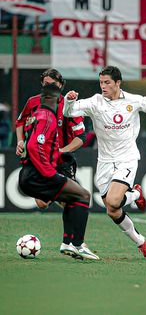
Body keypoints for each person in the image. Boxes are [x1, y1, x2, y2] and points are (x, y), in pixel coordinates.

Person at [63, 66, 146, 259]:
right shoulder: (95, 102)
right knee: (111, 210)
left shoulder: (133, 100)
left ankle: (136, 192)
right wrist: (68, 101)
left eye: (107, 82)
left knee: (114, 200)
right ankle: (141, 241)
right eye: (101, 82)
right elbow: (68, 113)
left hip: (127, 158)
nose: (103, 86)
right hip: (104, 161)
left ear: (118, 83)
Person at [16, 68, 99, 260]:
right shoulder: (36, 105)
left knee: (74, 198)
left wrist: (62, 151)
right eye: (45, 84)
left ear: (60, 85)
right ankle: (74, 243)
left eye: (52, 85)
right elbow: (21, 124)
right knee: (60, 200)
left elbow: (80, 137)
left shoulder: (69, 106)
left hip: (61, 162)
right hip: (43, 165)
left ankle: (72, 242)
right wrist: (21, 142)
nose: (49, 88)